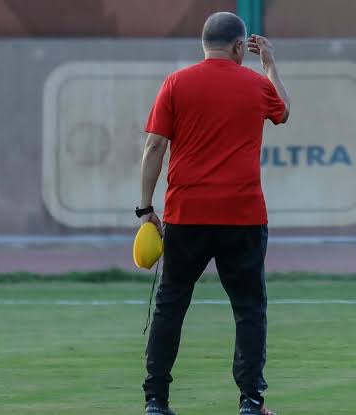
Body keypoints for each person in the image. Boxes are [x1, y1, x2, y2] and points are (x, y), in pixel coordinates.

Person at [136, 11, 290, 415]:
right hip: (242, 216)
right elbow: (284, 112)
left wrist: (145, 208)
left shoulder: (176, 83)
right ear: (241, 47)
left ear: (205, 44)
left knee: (170, 306)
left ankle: (156, 402)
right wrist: (271, 63)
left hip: (186, 215)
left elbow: (154, 147)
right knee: (249, 308)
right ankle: (251, 402)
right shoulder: (256, 83)